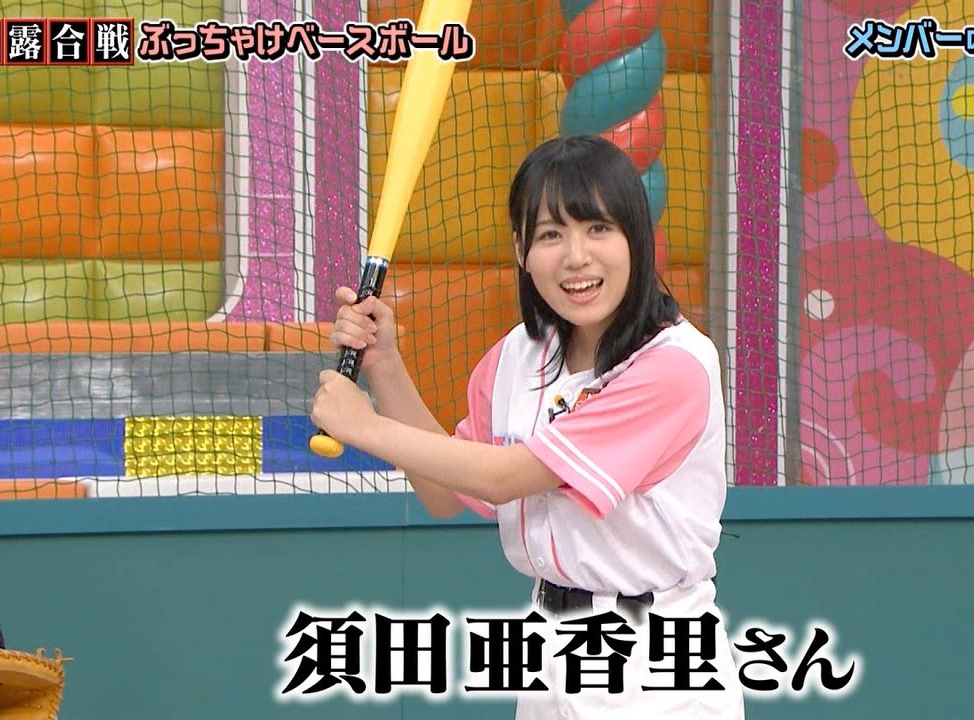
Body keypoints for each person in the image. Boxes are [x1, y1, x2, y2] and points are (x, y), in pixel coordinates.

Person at [311, 135, 744, 719]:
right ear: (522, 250)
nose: (576, 257)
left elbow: (506, 476)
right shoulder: (519, 355)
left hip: (654, 660)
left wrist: (362, 426)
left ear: (636, 240)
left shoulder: (673, 365)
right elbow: (443, 491)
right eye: (550, 235)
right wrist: (384, 366)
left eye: (598, 228)